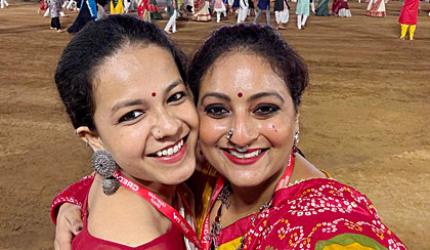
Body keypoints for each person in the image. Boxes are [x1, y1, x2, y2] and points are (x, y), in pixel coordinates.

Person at [52, 24, 406, 250]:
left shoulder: (327, 219)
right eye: (218, 110)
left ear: (296, 114)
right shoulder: (201, 168)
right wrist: (72, 203)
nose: (241, 135)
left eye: (265, 108)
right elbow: (131, 172)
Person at [53, 15, 200, 249]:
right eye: (132, 115)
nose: (170, 126)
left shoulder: (127, 174)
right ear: (94, 138)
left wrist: (68, 201)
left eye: (175, 96)